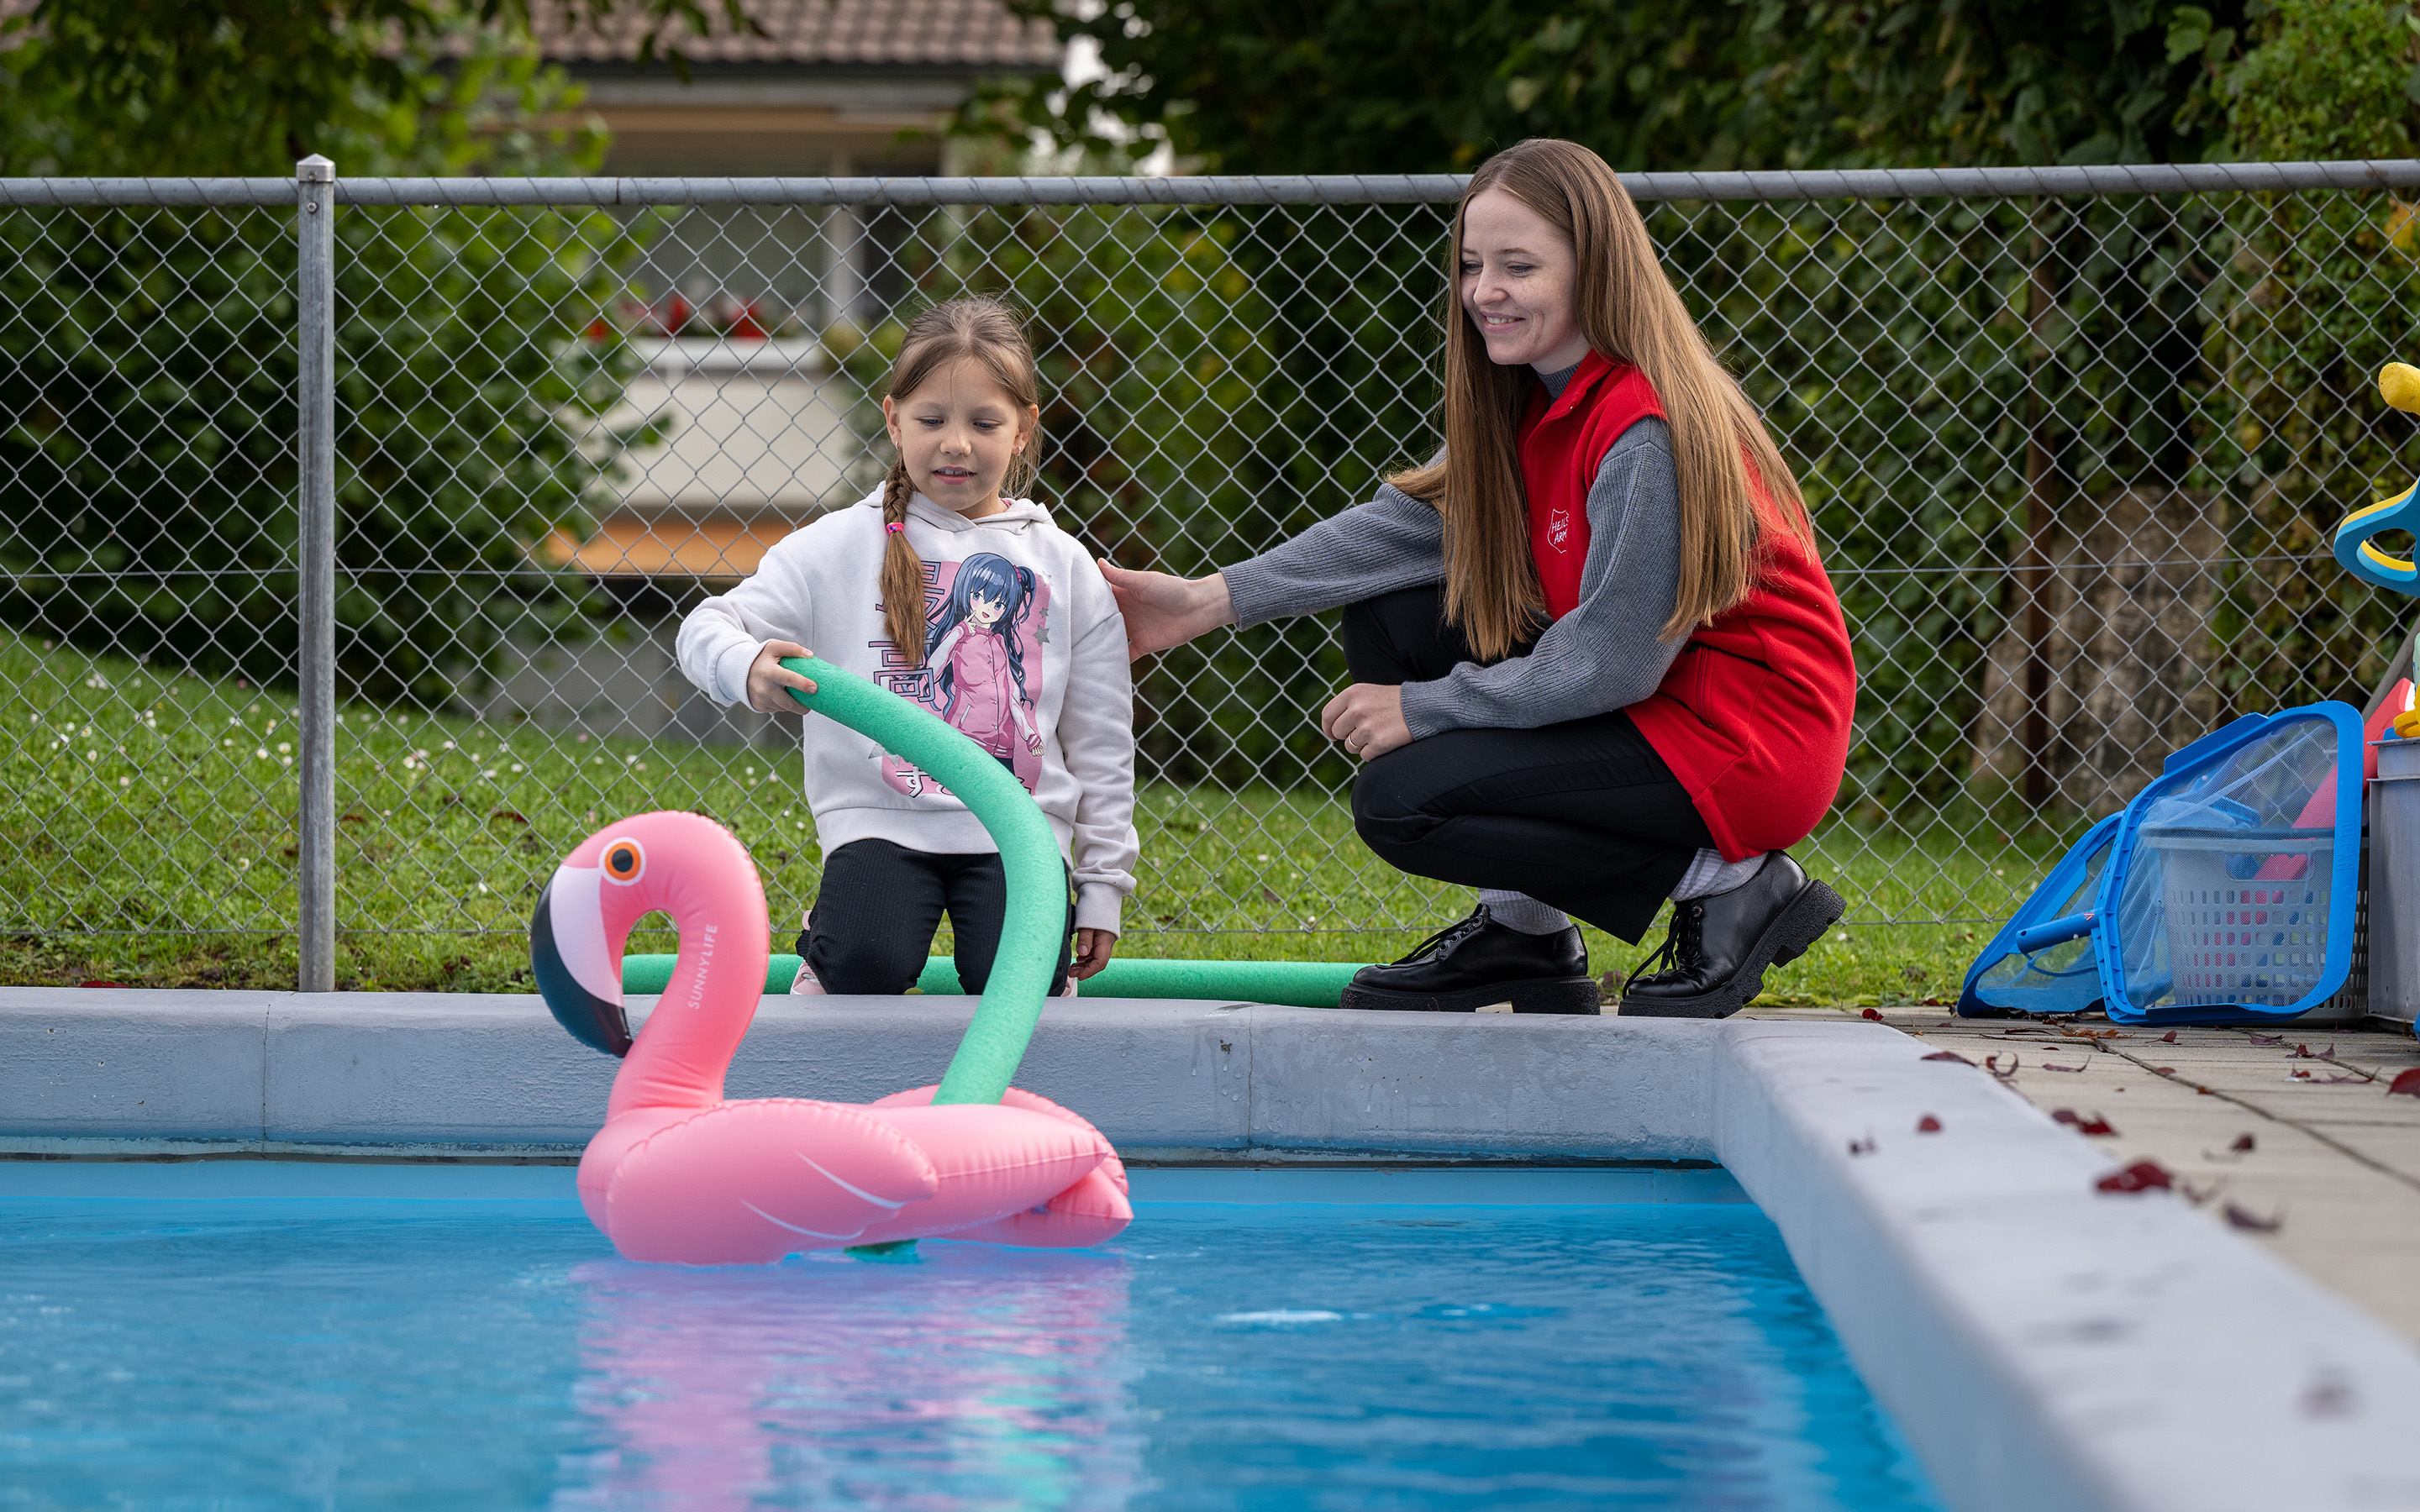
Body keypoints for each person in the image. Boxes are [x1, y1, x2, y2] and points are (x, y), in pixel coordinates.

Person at [1102, 139, 1855, 1019]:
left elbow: (1613, 665)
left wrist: (1424, 709)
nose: (1484, 291)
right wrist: (1201, 601)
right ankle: (1524, 937)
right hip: (1658, 705)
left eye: (1518, 266)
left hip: (1741, 738)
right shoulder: (1536, 398)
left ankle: (1729, 882)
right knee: (1393, 615)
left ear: (1597, 269)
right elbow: (1396, 535)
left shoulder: (1647, 424)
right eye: (1471, 264)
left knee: (1402, 803)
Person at [677, 297, 1138, 997]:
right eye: (932, 420)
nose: (956, 444)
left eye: (985, 423)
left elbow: (1102, 739)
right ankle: (830, 937)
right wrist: (745, 666)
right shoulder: (836, 546)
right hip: (883, 824)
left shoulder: (1065, 565)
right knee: (867, 964)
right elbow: (704, 626)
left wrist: (1101, 885)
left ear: (1023, 430)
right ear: (894, 420)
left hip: (1017, 829)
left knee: (1015, 981)